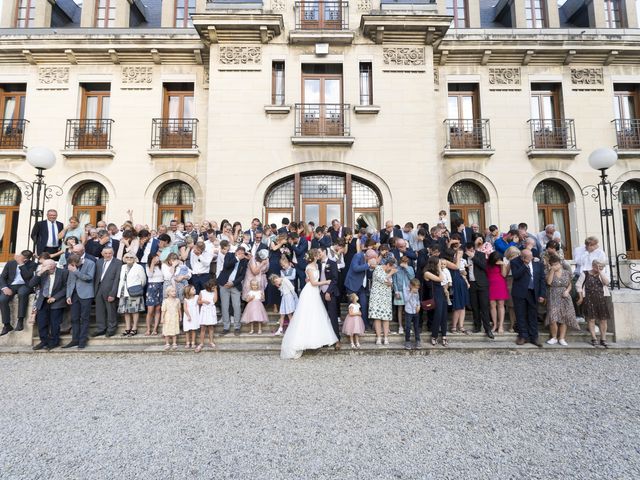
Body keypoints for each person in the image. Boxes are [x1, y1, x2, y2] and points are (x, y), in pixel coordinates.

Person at [280, 249, 338, 359]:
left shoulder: (317, 265)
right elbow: (313, 282)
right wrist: (326, 282)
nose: (320, 255)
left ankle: (317, 339)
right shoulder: (310, 267)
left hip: (315, 292)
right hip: (310, 291)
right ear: (315, 256)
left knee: (317, 314)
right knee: (307, 314)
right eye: (318, 254)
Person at [510, 249, 547, 347]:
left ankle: (534, 337)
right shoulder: (515, 262)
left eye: (531, 256)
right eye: (528, 257)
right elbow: (516, 275)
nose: (531, 258)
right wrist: (525, 265)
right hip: (520, 292)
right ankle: (523, 336)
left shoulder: (538, 263)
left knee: (533, 315)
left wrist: (542, 294)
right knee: (520, 315)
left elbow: (542, 279)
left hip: (533, 292)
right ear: (522, 257)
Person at [64, 251, 96, 349]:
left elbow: (89, 278)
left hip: (86, 294)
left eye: (75, 264)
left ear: (80, 261)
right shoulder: (71, 265)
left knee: (84, 318)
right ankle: (75, 340)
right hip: (74, 294)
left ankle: (82, 340)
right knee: (74, 318)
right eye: (72, 265)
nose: (74, 266)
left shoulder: (90, 263)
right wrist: (68, 295)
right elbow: (70, 281)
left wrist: (76, 271)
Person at [0, 250, 37, 335]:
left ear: (25, 259)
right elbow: (2, 277)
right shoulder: (10, 263)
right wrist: (4, 287)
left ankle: (20, 321)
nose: (17, 258)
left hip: (25, 285)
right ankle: (7, 325)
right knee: (2, 299)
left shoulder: (33, 265)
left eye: (20, 257)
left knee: (22, 293)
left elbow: (27, 276)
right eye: (19, 255)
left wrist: (21, 265)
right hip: (11, 286)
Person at [576, 260, 611, 348]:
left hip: (601, 299)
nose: (600, 268)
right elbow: (578, 285)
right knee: (591, 319)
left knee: (603, 319)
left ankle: (603, 339)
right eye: (598, 266)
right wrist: (580, 297)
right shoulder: (585, 274)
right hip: (589, 299)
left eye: (601, 267)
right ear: (593, 265)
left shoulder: (602, 274)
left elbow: (607, 283)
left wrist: (600, 272)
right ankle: (594, 338)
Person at [545, 254, 578, 346]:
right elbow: (549, 282)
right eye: (553, 264)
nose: (555, 266)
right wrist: (552, 270)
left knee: (564, 317)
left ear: (560, 263)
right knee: (553, 317)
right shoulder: (548, 271)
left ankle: (562, 338)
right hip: (553, 294)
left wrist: (567, 291)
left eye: (556, 264)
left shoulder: (567, 272)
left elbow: (569, 284)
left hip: (564, 295)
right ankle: (554, 337)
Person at [217, 247, 248, 335]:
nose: (241, 254)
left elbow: (242, 276)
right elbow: (227, 265)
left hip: (235, 285)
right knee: (225, 306)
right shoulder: (229, 255)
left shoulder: (244, 261)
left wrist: (233, 283)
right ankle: (226, 327)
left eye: (242, 253)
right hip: (224, 284)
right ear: (236, 252)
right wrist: (237, 258)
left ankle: (237, 327)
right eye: (239, 252)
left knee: (237, 306)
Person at [92, 247, 122, 338]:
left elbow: (117, 279)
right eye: (106, 253)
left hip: (110, 290)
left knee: (111, 310)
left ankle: (111, 329)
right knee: (99, 310)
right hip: (98, 289)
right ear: (102, 253)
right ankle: (101, 328)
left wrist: (113, 293)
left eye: (110, 253)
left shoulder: (118, 262)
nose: (108, 255)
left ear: (113, 253)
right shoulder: (99, 262)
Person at [343, 249, 375, 330]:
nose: (374, 260)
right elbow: (355, 268)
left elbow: (369, 273)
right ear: (368, 257)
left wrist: (371, 268)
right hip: (352, 284)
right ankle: (352, 327)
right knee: (352, 306)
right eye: (372, 258)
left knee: (364, 305)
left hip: (362, 286)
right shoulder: (357, 256)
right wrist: (368, 265)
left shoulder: (368, 261)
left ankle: (365, 325)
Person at [117, 252, 147, 337]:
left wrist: (136, 288)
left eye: (131, 257)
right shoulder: (123, 267)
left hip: (134, 292)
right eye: (127, 257)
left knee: (134, 311)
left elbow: (143, 280)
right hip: (124, 292)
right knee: (125, 311)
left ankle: (134, 328)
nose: (129, 259)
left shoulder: (139, 267)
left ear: (134, 258)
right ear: (124, 258)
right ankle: (127, 328)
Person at [369, 256, 396, 346]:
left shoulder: (387, 272)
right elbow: (383, 280)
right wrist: (390, 274)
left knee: (386, 317)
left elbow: (390, 283)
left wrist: (389, 280)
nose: (393, 269)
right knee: (377, 317)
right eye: (392, 267)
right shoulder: (378, 269)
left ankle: (386, 337)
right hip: (377, 296)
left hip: (386, 297)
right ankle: (379, 337)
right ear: (388, 265)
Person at [318, 248, 341, 349]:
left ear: (324, 252)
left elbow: (335, 279)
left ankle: (337, 339)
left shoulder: (332, 263)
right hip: (319, 292)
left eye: (319, 252)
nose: (318, 254)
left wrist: (328, 292)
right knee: (322, 317)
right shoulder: (317, 264)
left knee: (332, 316)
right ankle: (325, 339)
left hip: (330, 292)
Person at [424, 256, 448, 347]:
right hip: (434, 295)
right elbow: (441, 279)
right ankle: (434, 336)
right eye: (438, 262)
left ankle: (444, 336)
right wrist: (439, 268)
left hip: (441, 293)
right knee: (437, 315)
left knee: (444, 316)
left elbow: (443, 281)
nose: (440, 264)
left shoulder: (438, 272)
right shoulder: (427, 273)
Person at [392, 255, 415, 336]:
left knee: (408, 309)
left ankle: (408, 326)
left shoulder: (410, 268)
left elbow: (412, 278)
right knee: (400, 309)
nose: (404, 263)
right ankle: (400, 326)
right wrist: (396, 291)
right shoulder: (396, 269)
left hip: (408, 291)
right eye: (402, 262)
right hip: (400, 291)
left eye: (405, 262)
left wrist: (406, 268)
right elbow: (394, 281)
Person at [487, 251, 509, 334]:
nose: (498, 260)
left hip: (500, 284)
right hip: (490, 285)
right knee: (492, 305)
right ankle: (495, 324)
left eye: (499, 258)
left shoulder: (502, 263)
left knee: (500, 305)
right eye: (496, 259)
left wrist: (503, 265)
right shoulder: (487, 263)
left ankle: (501, 326)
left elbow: (504, 275)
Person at [144, 253, 164, 336]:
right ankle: (148, 329)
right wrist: (152, 263)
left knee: (158, 309)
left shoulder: (162, 266)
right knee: (150, 310)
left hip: (160, 286)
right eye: (154, 258)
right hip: (152, 287)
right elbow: (150, 275)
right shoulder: (147, 266)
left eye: (157, 258)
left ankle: (155, 329)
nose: (156, 260)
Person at [196, 279, 218, 352]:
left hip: (211, 310)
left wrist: (215, 291)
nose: (212, 288)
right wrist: (203, 301)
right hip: (204, 310)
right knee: (203, 327)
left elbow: (214, 301)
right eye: (212, 287)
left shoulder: (214, 292)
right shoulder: (202, 292)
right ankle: (201, 343)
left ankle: (211, 342)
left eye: (214, 287)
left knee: (211, 327)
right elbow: (198, 301)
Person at [403, 278, 422, 350]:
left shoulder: (417, 290)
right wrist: (411, 292)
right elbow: (406, 300)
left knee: (416, 326)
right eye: (415, 287)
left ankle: (418, 340)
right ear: (411, 285)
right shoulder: (406, 290)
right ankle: (407, 341)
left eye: (417, 288)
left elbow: (417, 299)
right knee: (408, 327)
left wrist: (419, 305)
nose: (416, 289)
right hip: (408, 311)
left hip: (415, 310)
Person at [161, 285, 181, 351]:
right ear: (168, 293)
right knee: (167, 330)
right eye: (172, 291)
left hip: (175, 317)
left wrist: (180, 316)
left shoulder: (177, 300)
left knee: (174, 329)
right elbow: (163, 310)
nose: (174, 292)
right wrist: (162, 318)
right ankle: (167, 343)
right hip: (167, 317)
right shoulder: (165, 301)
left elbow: (179, 309)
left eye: (175, 291)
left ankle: (174, 343)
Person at [182, 285, 200, 349]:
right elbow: (185, 308)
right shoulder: (186, 299)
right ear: (188, 292)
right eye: (193, 289)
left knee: (193, 330)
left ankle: (193, 342)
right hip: (188, 316)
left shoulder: (197, 297)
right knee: (187, 330)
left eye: (194, 288)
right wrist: (188, 316)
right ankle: (187, 342)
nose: (195, 290)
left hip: (194, 315)